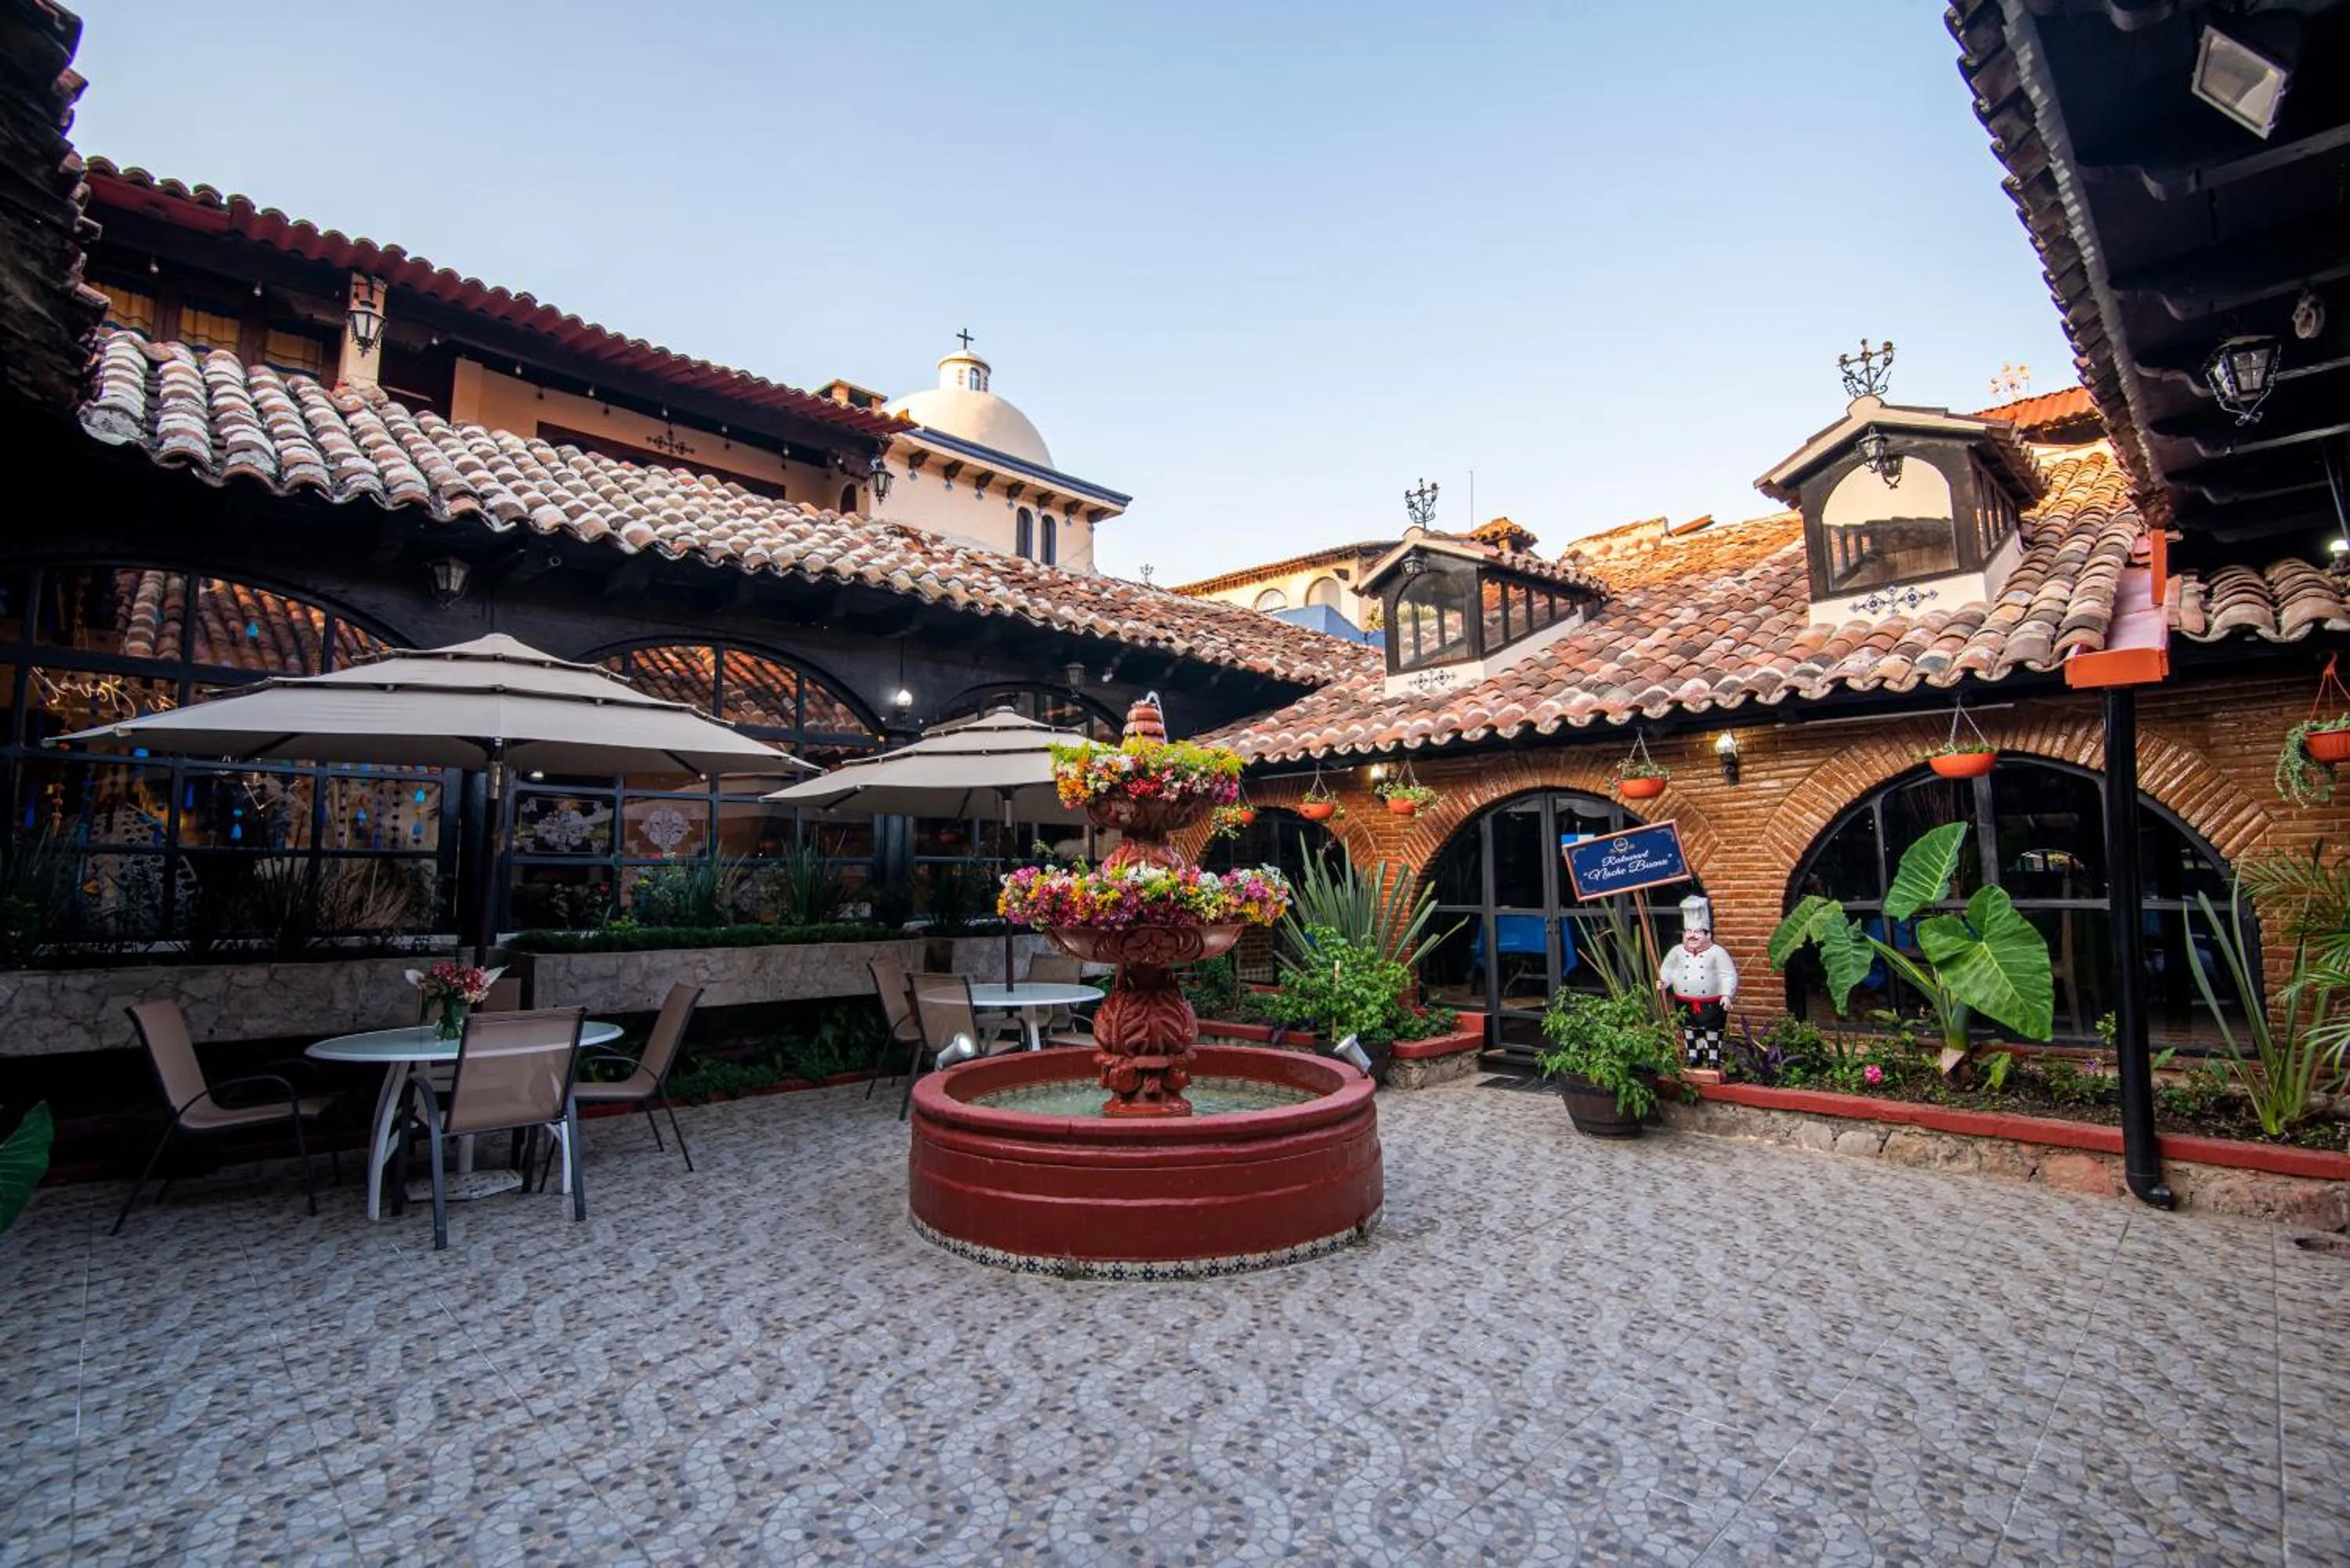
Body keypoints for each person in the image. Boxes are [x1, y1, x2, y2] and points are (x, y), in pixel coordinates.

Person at [1658, 895, 1737, 1071]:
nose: (1692, 936)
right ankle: (1693, 1055)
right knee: (1689, 1029)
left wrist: (1727, 994)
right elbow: (1669, 969)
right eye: (1688, 932)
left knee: (1712, 1030)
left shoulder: (1717, 952)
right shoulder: (1677, 951)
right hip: (1684, 1000)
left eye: (1697, 932)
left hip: (1711, 1002)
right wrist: (1664, 981)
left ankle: (1713, 1057)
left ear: (1707, 934)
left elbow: (1727, 974)